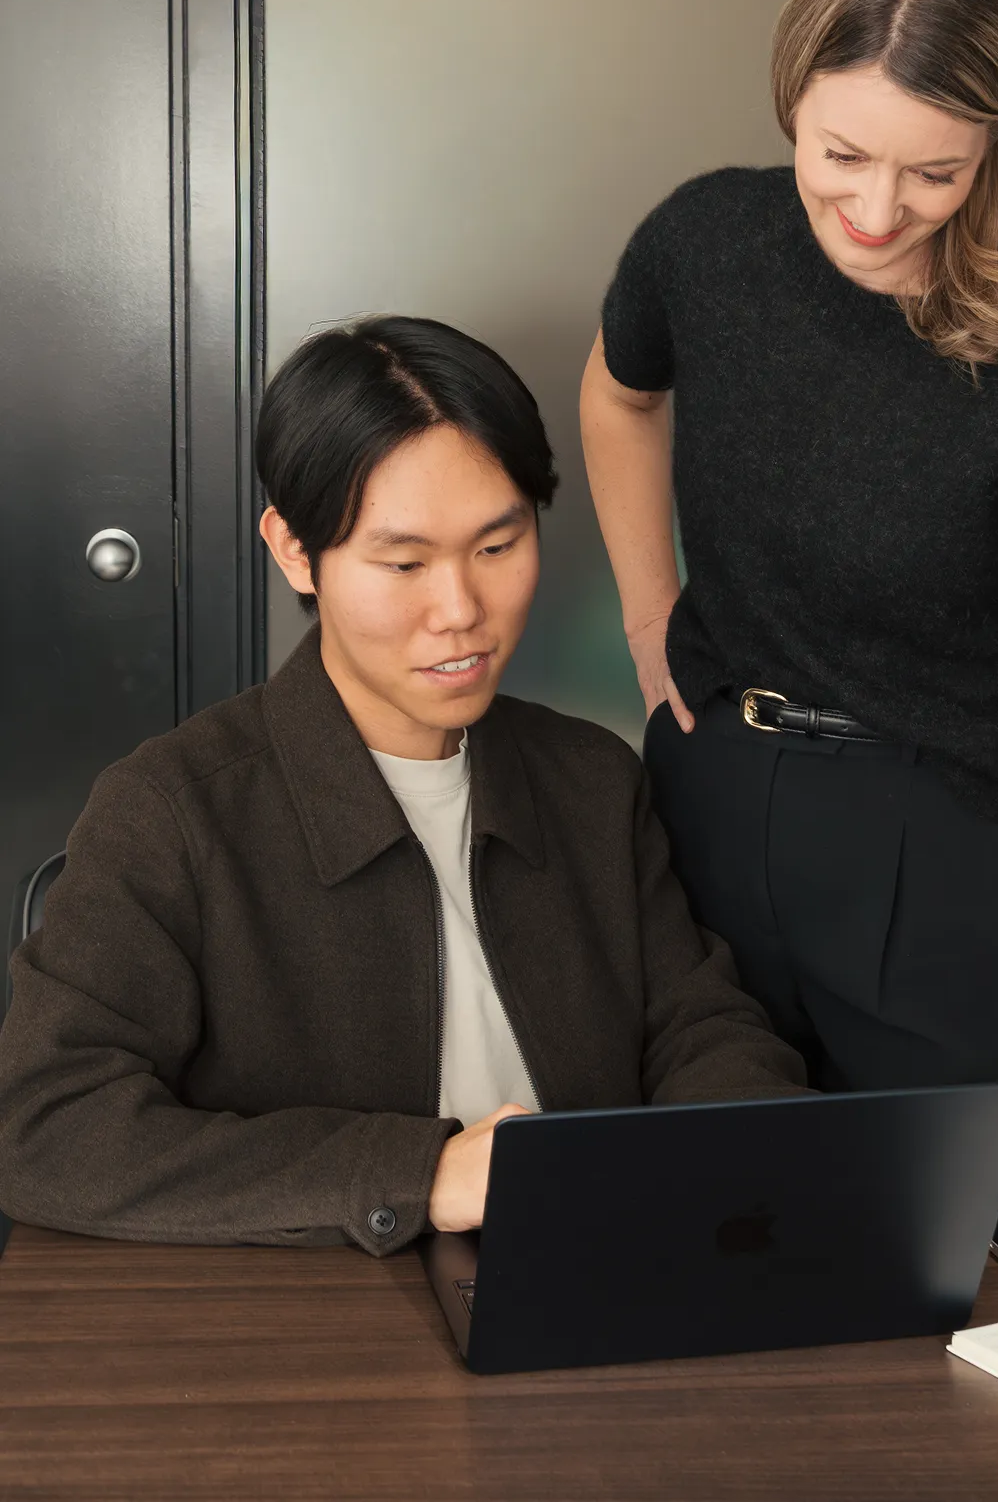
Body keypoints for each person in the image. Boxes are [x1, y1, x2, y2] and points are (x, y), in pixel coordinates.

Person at [580, 0, 998, 1240]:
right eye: (840, 154)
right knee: (707, 1240)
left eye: (933, 173)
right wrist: (651, 616)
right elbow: (617, 392)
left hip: (945, 843)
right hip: (711, 793)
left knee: (951, 1264)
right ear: (790, 104)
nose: (873, 214)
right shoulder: (705, 244)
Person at [0, 316, 805, 1255]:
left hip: (600, 1284)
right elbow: (43, 1128)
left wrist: (751, 1153)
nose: (461, 611)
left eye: (498, 547)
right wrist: (422, 1174)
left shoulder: (589, 780)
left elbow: (700, 1026)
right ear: (296, 550)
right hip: (319, 1341)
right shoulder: (175, 813)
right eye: (404, 563)